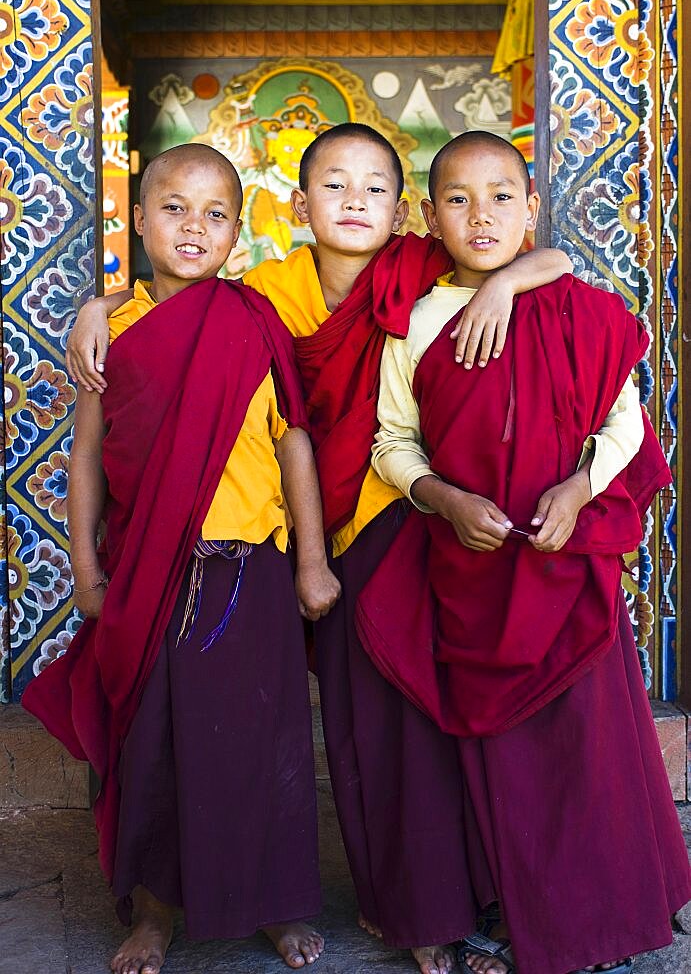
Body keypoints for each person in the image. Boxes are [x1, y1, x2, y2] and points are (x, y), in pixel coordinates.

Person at [64, 124, 573, 974]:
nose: (353, 203)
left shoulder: (398, 272)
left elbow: (546, 262)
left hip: (383, 522)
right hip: (244, 547)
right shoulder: (260, 291)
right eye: (333, 187)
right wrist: (100, 303)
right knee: (246, 733)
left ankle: (424, 901)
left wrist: (506, 281)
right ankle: (209, 907)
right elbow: (154, 349)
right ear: (296, 206)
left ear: (403, 206)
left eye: (374, 188)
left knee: (353, 729)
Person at [356, 130, 691, 974]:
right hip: (467, 567)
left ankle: (600, 917)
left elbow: (625, 424)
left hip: (561, 559)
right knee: (492, 759)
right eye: (458, 199)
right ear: (429, 216)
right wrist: (441, 498)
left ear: (531, 206)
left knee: (586, 749)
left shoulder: (580, 306)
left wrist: (577, 491)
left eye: (502, 196)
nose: (481, 215)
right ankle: (508, 910)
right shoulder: (415, 321)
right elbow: (390, 441)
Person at [23, 143, 343, 974]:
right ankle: (157, 913)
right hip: (155, 575)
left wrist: (312, 561)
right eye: (174, 207)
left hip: (253, 571)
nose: (194, 227)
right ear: (136, 217)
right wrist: (87, 575)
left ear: (240, 228)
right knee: (154, 746)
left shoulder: (253, 318)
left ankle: (272, 904)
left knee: (264, 744)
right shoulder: (117, 329)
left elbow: (295, 444)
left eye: (216, 213)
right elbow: (86, 456)